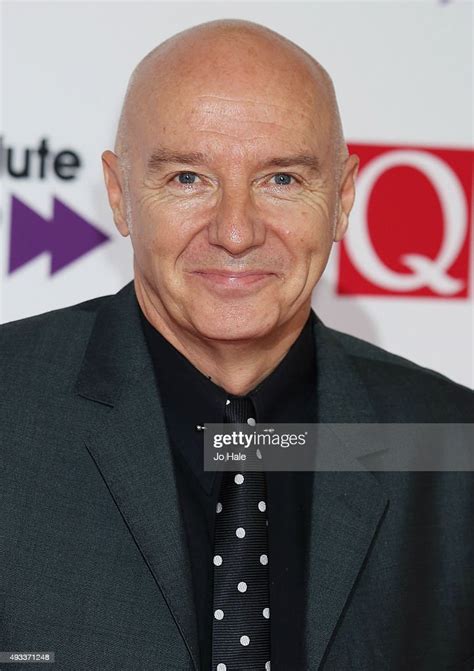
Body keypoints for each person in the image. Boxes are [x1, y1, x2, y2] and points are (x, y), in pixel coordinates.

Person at [0, 19, 473, 671]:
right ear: (119, 195)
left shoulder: (450, 448)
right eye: (189, 177)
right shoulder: (10, 408)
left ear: (340, 198)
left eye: (281, 179)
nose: (236, 231)